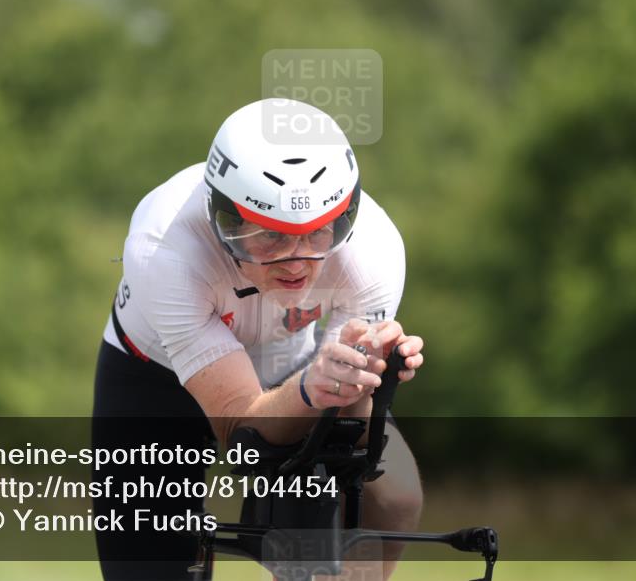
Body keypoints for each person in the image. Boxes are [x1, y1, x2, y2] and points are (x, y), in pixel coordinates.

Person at [92, 98, 424, 580]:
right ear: (221, 218)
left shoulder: (372, 249)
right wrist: (314, 387)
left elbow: (350, 431)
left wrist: (369, 377)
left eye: (316, 236)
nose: (296, 261)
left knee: (395, 499)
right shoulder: (165, 248)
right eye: (271, 237)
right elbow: (240, 430)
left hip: (294, 362)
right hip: (154, 377)